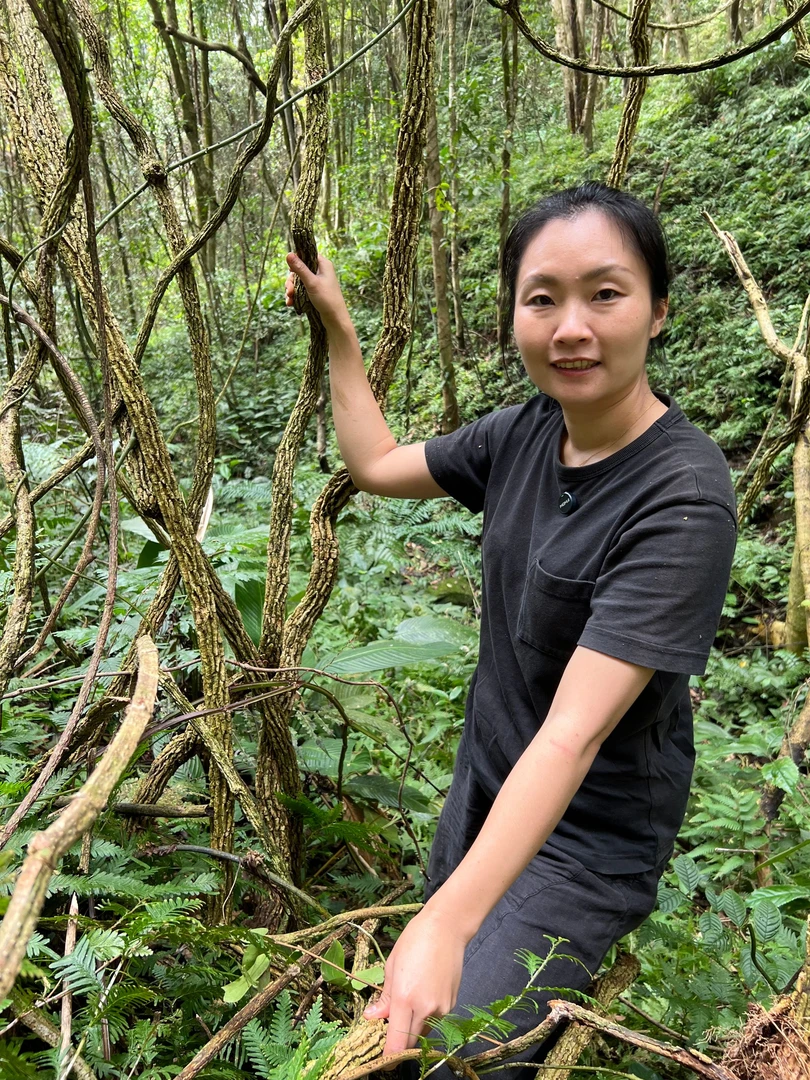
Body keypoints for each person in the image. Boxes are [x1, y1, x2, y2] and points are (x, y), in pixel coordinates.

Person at [285, 181, 737, 1078]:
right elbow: (376, 463)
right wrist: (338, 326)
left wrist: (445, 922)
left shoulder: (683, 497)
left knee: (452, 1061)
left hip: (588, 842)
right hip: (484, 793)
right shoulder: (522, 435)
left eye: (606, 294)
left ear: (658, 311)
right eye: (543, 299)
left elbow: (574, 734)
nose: (572, 327)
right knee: (411, 1032)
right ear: (516, 317)